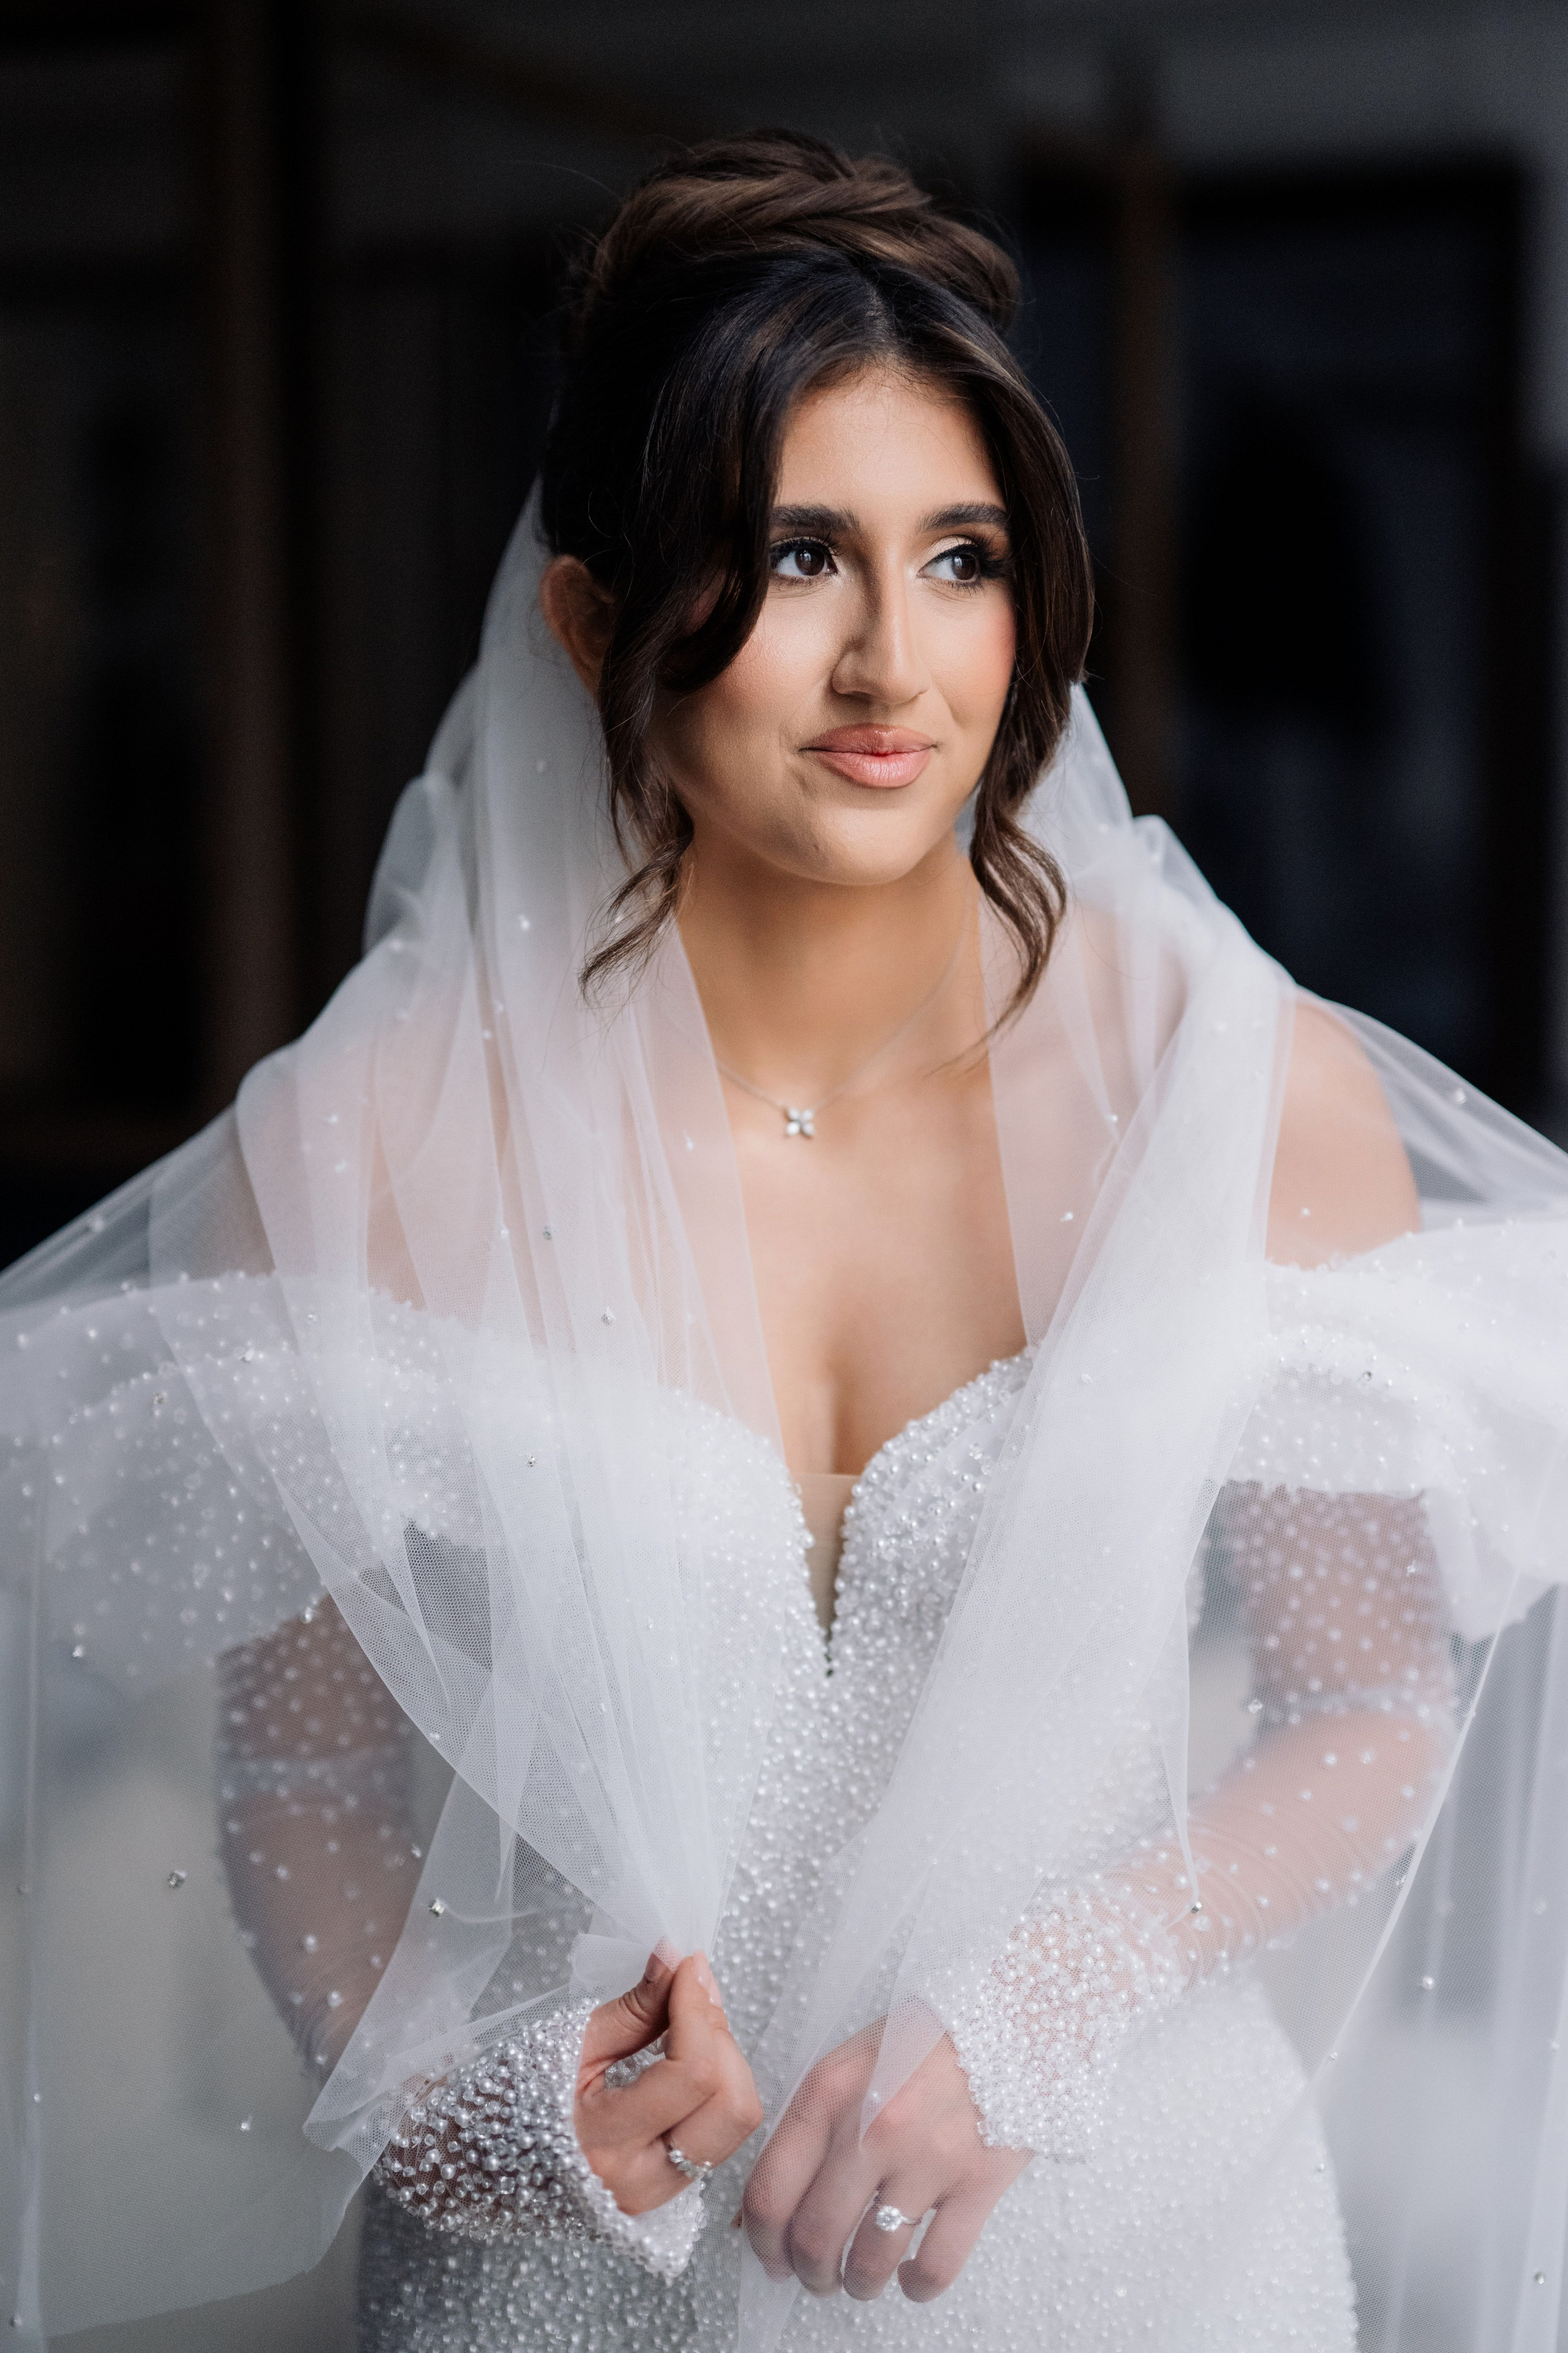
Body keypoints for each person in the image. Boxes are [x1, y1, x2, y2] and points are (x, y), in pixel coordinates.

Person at [4, 132, 1568, 2353]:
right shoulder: (362, 1149)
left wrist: (1043, 2008)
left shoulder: (1233, 1095)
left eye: (960, 558)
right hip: (571, 2281)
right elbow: (308, 1784)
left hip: (1128, 2248)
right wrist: (481, 2119)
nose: (888, 662)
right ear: (590, 620)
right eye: (794, 555)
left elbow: (1369, 1706)